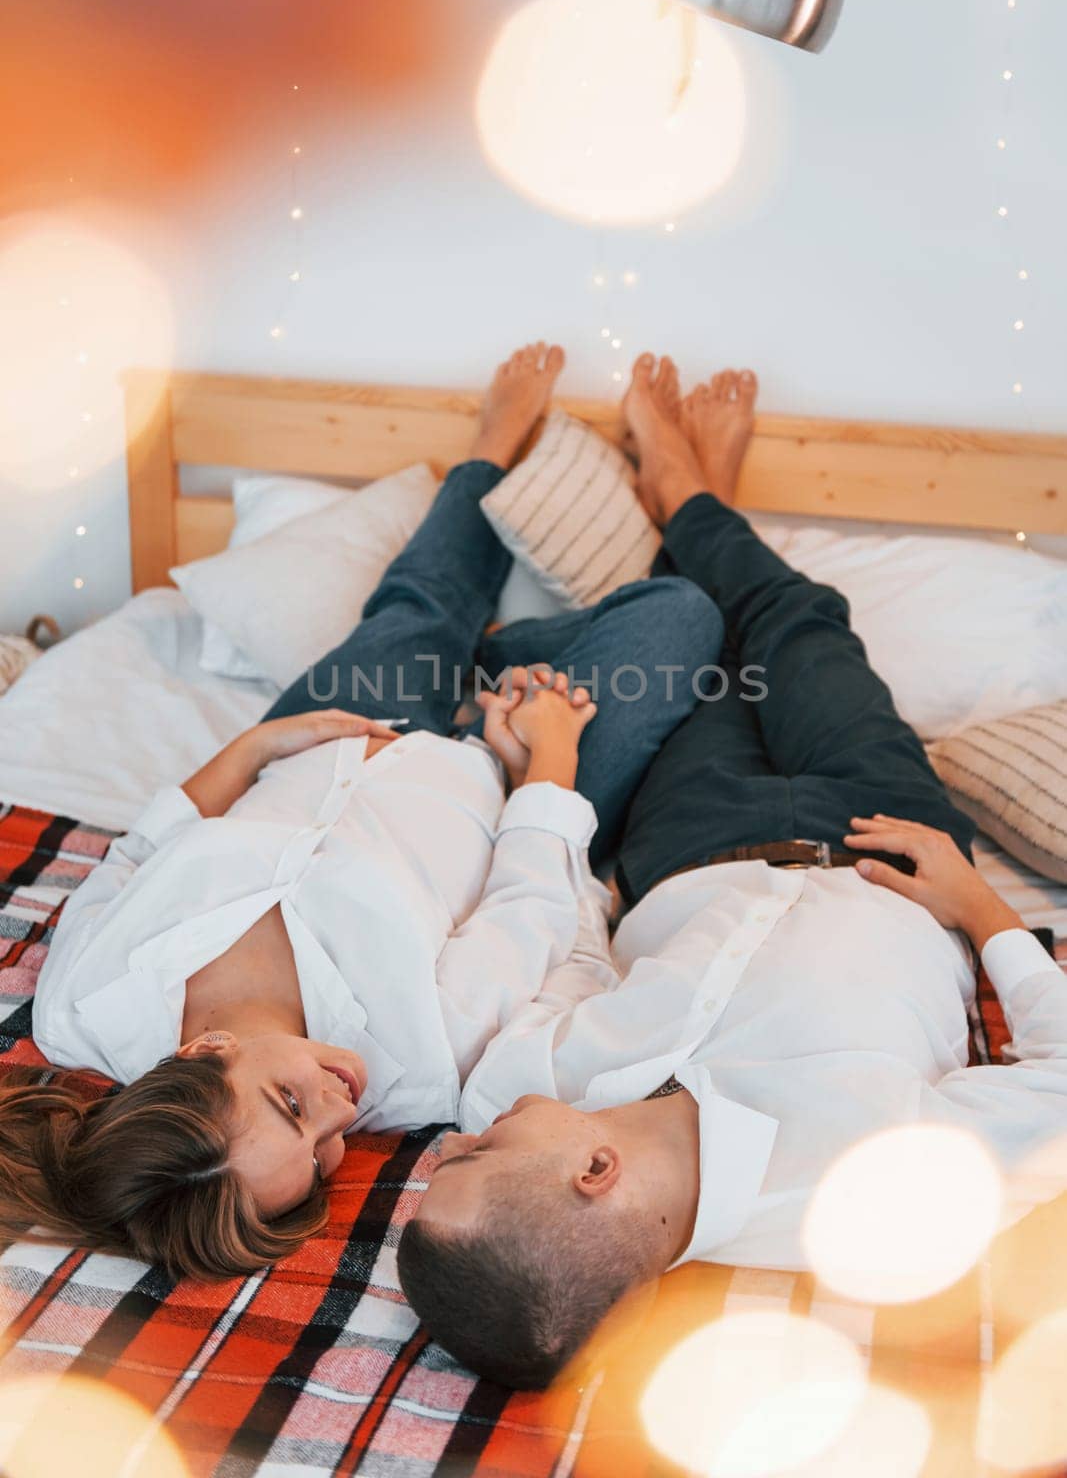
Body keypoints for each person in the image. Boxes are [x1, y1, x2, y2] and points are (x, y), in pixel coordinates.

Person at [399, 354, 1067, 1391]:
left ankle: (688, 494)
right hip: (887, 838)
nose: (458, 1138)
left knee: (708, 654)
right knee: (801, 621)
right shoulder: (864, 1193)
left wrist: (592, 848)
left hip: (685, 839)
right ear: (592, 1172)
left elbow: (567, 938)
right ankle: (690, 488)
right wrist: (981, 913)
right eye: (474, 1158)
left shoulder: (524, 1081)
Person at [3, 344, 724, 1281]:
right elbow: (529, 908)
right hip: (494, 780)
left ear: (208, 1049)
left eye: (293, 1108)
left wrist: (259, 748)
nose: (343, 1115)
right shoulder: (416, 1069)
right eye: (320, 1163)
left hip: (327, 733)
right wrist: (539, 755)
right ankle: (501, 663)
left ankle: (490, 451)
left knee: (416, 601)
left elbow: (141, 850)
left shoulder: (81, 1007)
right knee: (680, 618)